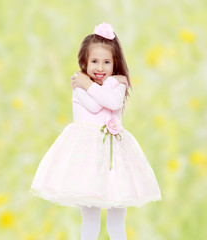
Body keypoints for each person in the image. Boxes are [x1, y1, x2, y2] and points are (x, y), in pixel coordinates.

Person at [30, 22, 161, 240]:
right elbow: (94, 106)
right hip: (88, 159)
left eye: (107, 62)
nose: (100, 68)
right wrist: (93, 86)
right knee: (90, 222)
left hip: (114, 156)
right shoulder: (79, 84)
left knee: (116, 223)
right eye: (94, 61)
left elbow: (111, 102)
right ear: (84, 62)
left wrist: (96, 85)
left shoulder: (116, 84)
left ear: (115, 63)